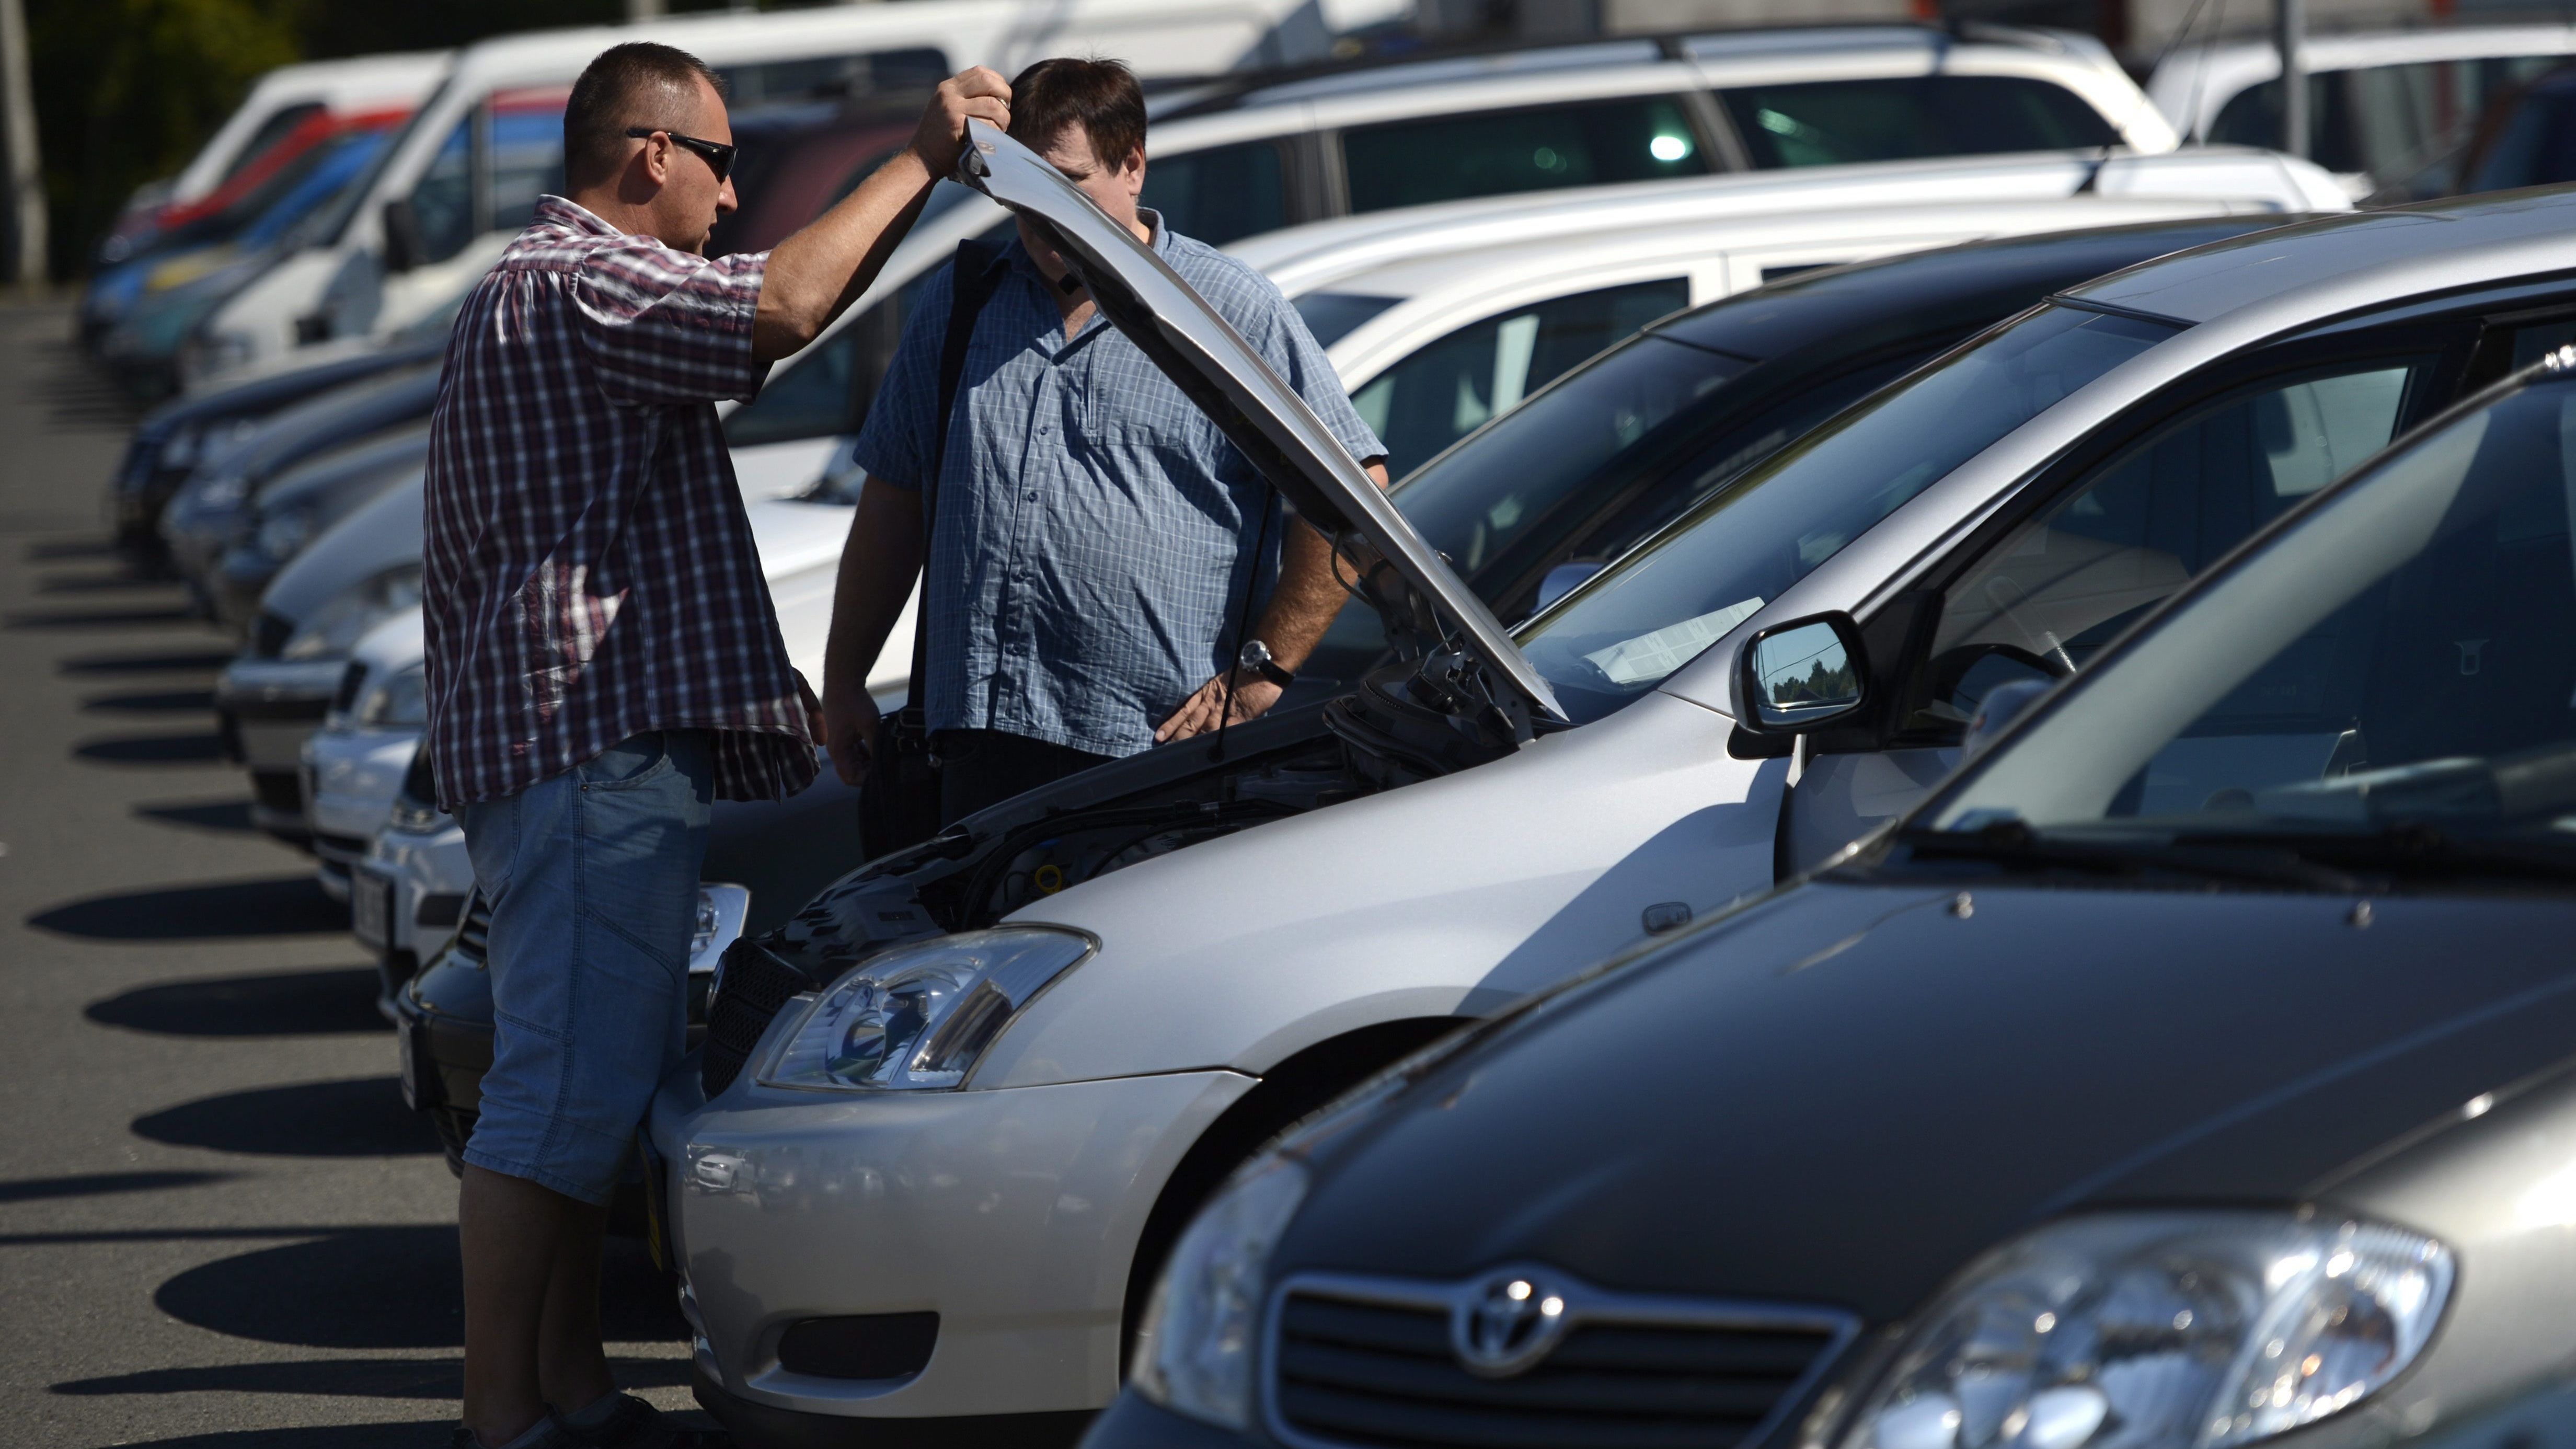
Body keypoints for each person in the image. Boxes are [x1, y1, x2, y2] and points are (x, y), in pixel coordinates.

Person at [420, 43, 1008, 1449]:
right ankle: (503, 1416)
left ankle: (569, 1391)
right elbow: (788, 305)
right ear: (647, 157)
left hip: (580, 752)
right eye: (724, 161)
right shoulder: (586, 278)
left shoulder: (548, 286)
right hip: (585, 754)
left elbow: (773, 306)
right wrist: (922, 158)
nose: (737, 192)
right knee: (558, 1094)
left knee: (585, 1094)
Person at [818, 56, 1387, 823]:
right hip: (980, 748)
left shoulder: (1226, 313)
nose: (1041, 212)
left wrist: (1259, 676)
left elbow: (1356, 499)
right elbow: (897, 497)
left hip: (1153, 758)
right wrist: (846, 677)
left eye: (1069, 182)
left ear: (1133, 168)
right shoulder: (964, 300)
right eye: (1018, 183)